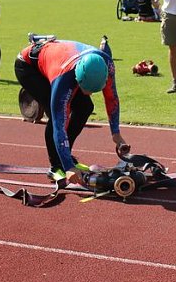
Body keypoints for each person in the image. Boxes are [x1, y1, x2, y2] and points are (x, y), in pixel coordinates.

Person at [14, 38, 128, 185]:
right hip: (29, 68)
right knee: (57, 113)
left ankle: (66, 158)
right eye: (85, 88)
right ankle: (56, 167)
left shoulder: (108, 66)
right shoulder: (63, 78)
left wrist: (116, 134)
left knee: (85, 107)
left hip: (59, 59)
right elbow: (59, 125)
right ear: (77, 77)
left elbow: (112, 99)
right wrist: (68, 167)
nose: (88, 93)